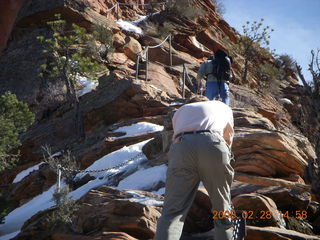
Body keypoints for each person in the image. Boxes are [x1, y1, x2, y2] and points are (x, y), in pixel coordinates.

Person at [155, 100, 235, 240]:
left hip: (182, 146)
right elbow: (228, 138)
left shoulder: (182, 110)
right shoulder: (224, 108)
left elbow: (176, 135)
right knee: (222, 208)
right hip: (213, 144)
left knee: (172, 212)